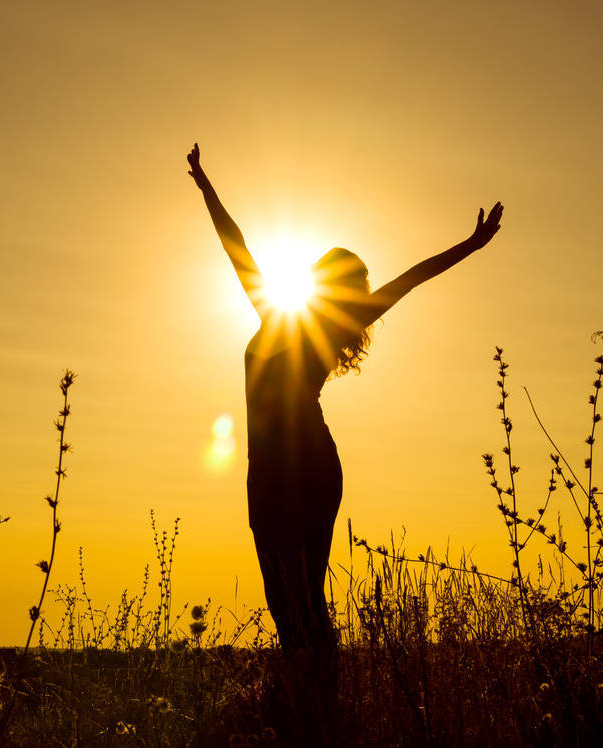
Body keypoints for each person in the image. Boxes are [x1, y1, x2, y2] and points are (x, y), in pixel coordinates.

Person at [187, 142, 502, 688]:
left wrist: (472, 245)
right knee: (290, 595)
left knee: (300, 591)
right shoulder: (277, 311)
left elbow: (413, 276)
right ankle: (311, 699)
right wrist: (205, 184)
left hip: (302, 467)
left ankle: (318, 697)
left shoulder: (309, 321)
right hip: (274, 471)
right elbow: (234, 245)